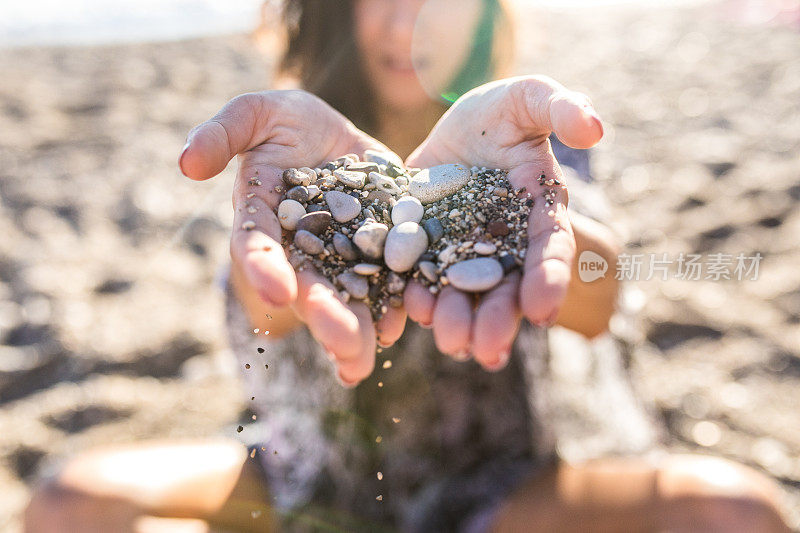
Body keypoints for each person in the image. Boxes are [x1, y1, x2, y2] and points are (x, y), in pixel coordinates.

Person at [25, 1, 790, 532]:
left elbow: (598, 300)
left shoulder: (523, 142)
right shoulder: (295, 150)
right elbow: (260, 317)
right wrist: (289, 272)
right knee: (69, 504)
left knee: (733, 512)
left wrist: (539, 233)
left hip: (496, 485)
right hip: (305, 471)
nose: (404, 21)